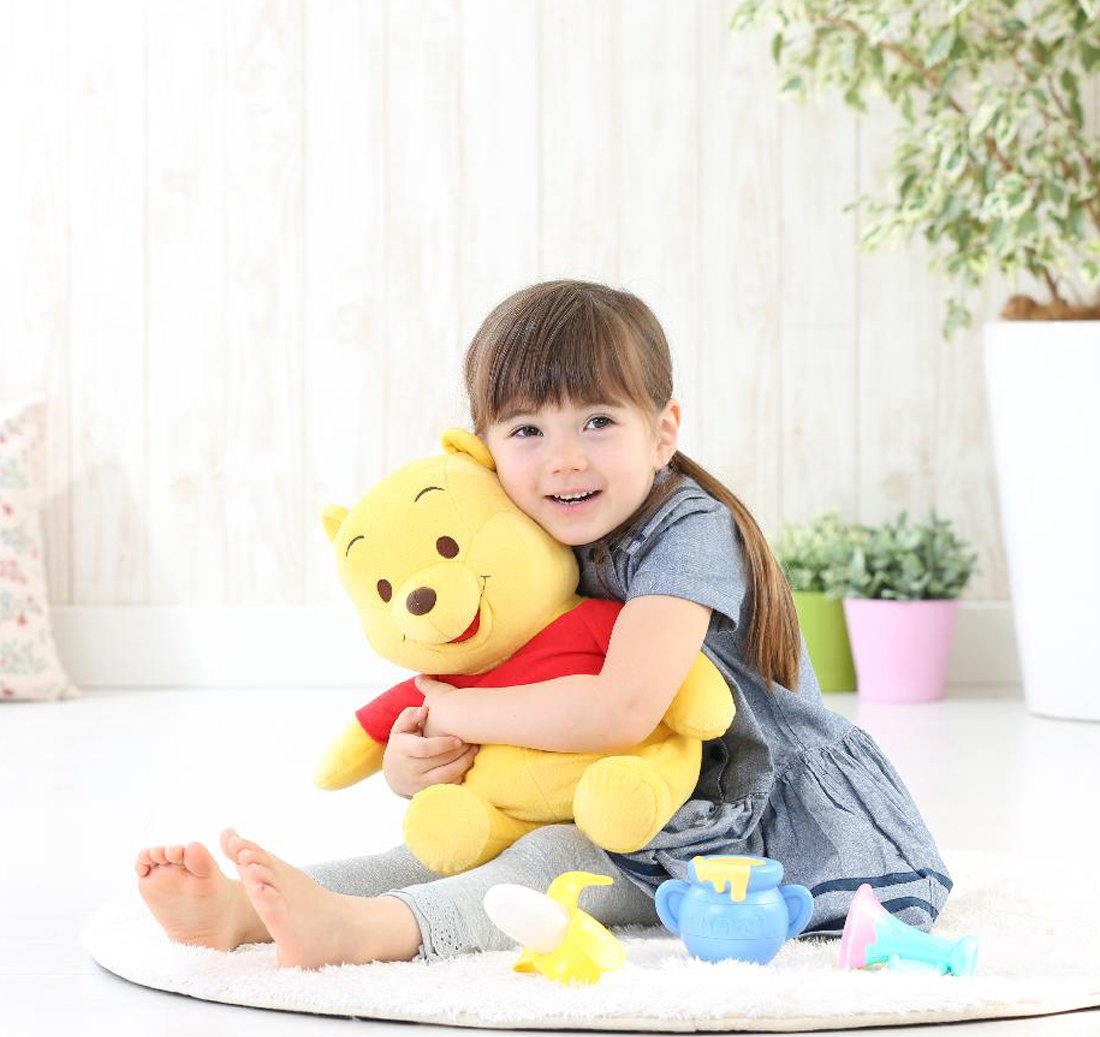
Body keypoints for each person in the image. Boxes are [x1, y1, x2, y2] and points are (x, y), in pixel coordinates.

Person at [136, 279, 950, 969]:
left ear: (662, 432)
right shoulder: (525, 534)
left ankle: (370, 933)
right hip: (596, 786)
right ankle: (247, 911)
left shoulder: (689, 533)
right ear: (485, 449)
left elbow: (621, 709)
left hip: (731, 815)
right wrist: (419, 760)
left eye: (598, 421)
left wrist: (457, 710)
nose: (565, 458)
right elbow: (502, 677)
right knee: (442, 846)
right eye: (528, 430)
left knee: (545, 864)